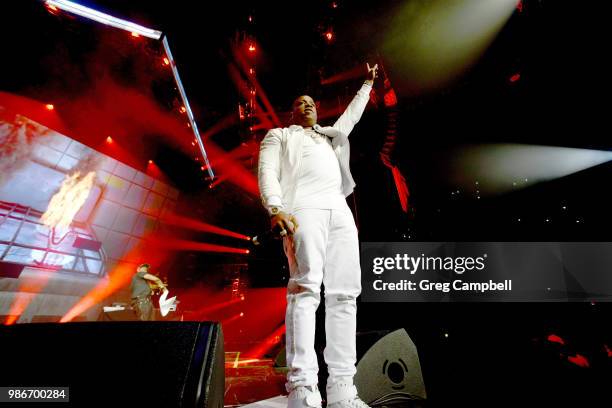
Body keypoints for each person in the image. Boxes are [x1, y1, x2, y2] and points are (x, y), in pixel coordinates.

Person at [258, 63, 378, 408]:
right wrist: (275, 207)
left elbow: (353, 115)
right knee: (305, 289)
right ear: (291, 111)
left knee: (345, 295)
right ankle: (302, 387)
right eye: (300, 102)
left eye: (311, 102)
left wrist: (368, 83)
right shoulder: (279, 136)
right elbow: (267, 171)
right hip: (303, 208)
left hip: (339, 211)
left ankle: (342, 389)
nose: (308, 105)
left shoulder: (330, 135)